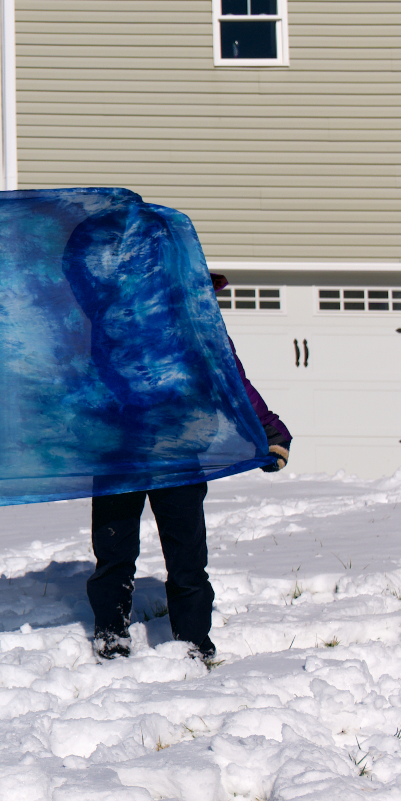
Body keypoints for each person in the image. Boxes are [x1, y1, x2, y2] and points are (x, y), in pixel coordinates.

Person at [89, 273, 292, 666]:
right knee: (114, 550)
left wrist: (269, 430)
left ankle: (194, 640)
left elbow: (232, 380)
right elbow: (80, 384)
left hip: (179, 451)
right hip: (121, 451)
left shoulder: (201, 332)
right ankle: (111, 633)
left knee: (187, 555)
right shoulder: (112, 322)